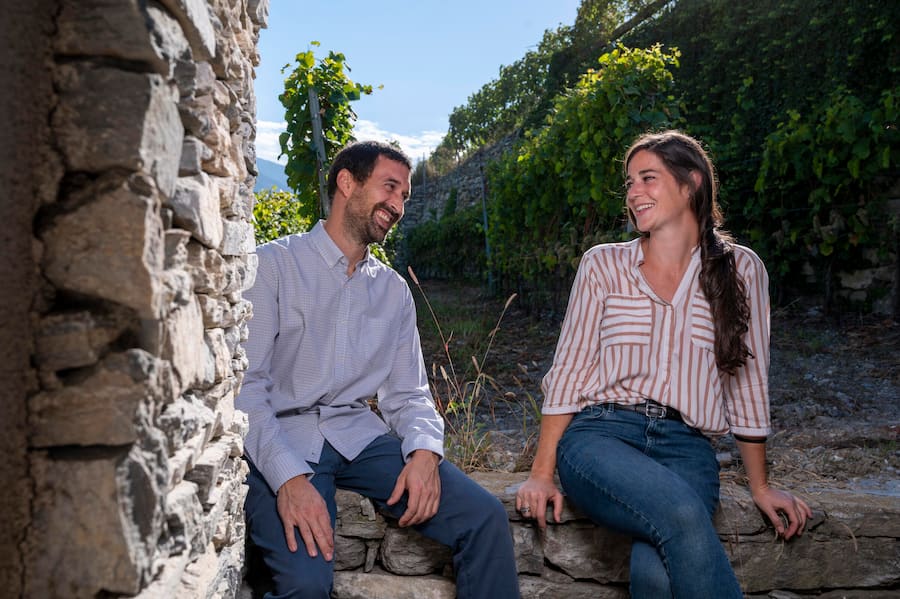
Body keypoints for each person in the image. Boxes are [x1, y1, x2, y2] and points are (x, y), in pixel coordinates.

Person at [515, 130, 812, 598]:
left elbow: (749, 384)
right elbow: (569, 372)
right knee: (683, 515)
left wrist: (761, 486)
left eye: (647, 178)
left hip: (687, 447)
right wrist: (541, 472)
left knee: (654, 575)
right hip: (601, 437)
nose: (633, 192)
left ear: (691, 183)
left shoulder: (743, 270)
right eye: (629, 182)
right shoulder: (603, 266)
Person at [237, 140, 520, 599]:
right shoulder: (273, 266)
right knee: (305, 585)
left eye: (405, 195)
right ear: (346, 182)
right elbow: (246, 390)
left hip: (358, 437)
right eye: (390, 187)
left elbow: (409, 394)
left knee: (485, 516)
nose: (398, 204)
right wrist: (287, 477)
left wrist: (425, 453)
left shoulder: (392, 291)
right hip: (283, 437)